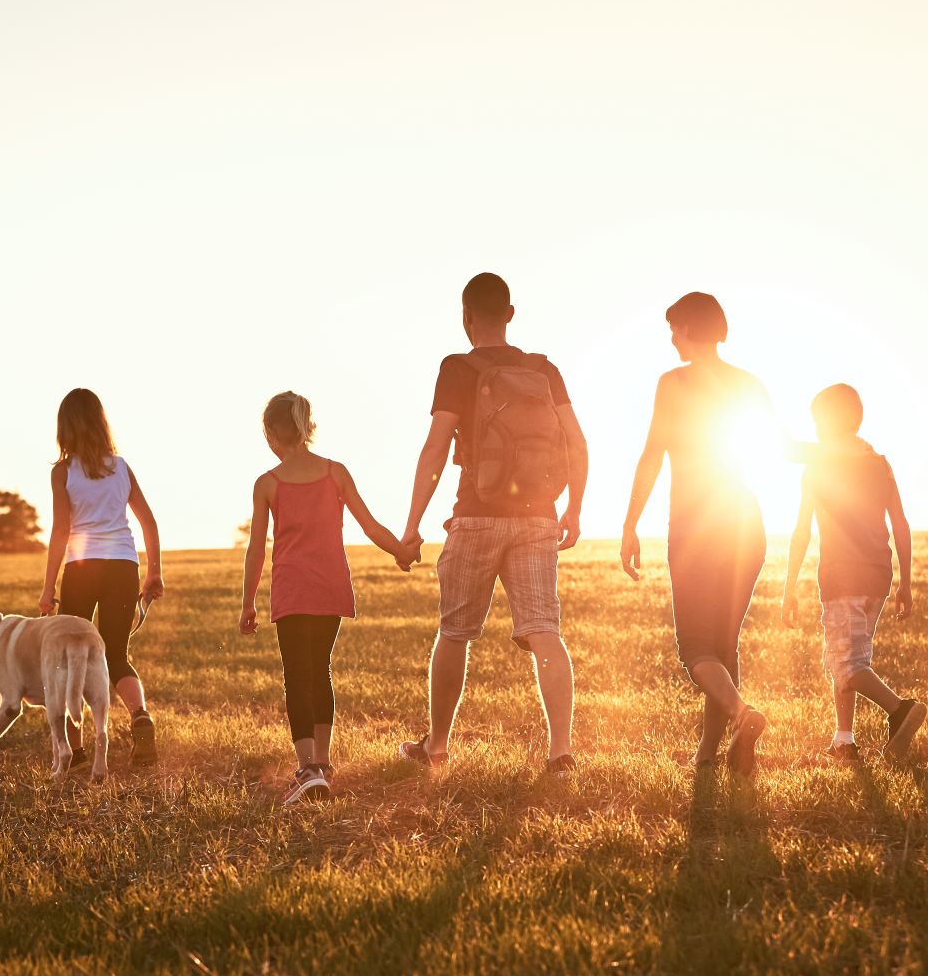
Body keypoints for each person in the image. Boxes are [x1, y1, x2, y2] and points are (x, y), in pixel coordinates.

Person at [396, 272, 589, 776]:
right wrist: (574, 509)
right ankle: (560, 751)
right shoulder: (543, 370)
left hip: (476, 515)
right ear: (510, 313)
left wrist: (412, 524)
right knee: (545, 630)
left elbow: (436, 447)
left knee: (455, 632)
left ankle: (437, 747)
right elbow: (577, 440)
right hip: (538, 517)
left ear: (465, 318)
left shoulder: (458, 368)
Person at [620, 292, 775, 772]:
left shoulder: (674, 383)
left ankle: (741, 714)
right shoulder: (748, 383)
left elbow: (652, 454)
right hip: (747, 523)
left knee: (696, 649)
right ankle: (710, 754)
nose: (671, 338)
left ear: (689, 328)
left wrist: (629, 524)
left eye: (674, 329)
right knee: (724, 643)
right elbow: (783, 447)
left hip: (697, 528)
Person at [240, 392, 418, 804]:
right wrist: (402, 552)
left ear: (270, 434)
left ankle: (307, 771)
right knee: (320, 671)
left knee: (296, 677)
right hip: (329, 588)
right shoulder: (335, 473)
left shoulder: (267, 483)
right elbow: (370, 525)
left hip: (292, 591)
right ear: (308, 427)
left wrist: (248, 602)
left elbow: (256, 549)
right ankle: (322, 763)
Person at [782, 383, 925, 762]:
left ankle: (900, 709)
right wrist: (906, 583)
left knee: (845, 663)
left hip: (841, 576)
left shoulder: (819, 465)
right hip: (879, 575)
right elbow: (901, 524)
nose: (814, 429)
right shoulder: (879, 463)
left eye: (816, 421)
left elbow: (801, 530)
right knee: (849, 655)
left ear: (828, 422)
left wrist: (789, 585)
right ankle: (844, 741)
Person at [37, 388, 165, 767]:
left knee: (68, 656)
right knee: (115, 652)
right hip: (123, 566)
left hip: (81, 567)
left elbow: (62, 529)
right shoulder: (121, 467)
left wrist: (48, 589)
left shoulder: (63, 472)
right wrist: (154, 572)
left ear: (65, 427)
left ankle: (73, 750)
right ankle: (140, 717)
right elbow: (149, 522)